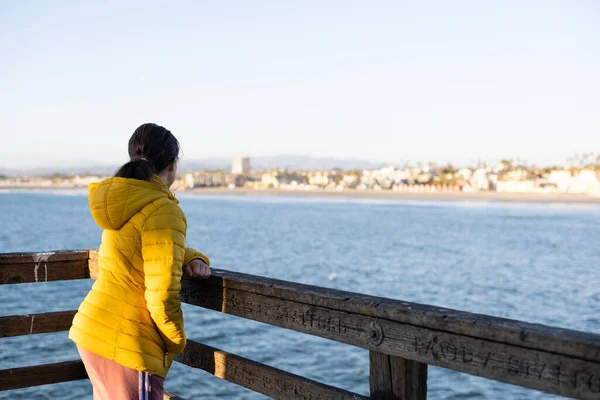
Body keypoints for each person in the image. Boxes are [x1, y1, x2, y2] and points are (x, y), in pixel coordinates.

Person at [69, 123, 211, 400]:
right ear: (173, 164)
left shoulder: (125, 201)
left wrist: (191, 256)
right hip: (128, 344)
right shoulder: (162, 209)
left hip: (94, 332)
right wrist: (174, 341)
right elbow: (161, 296)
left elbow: (141, 247)